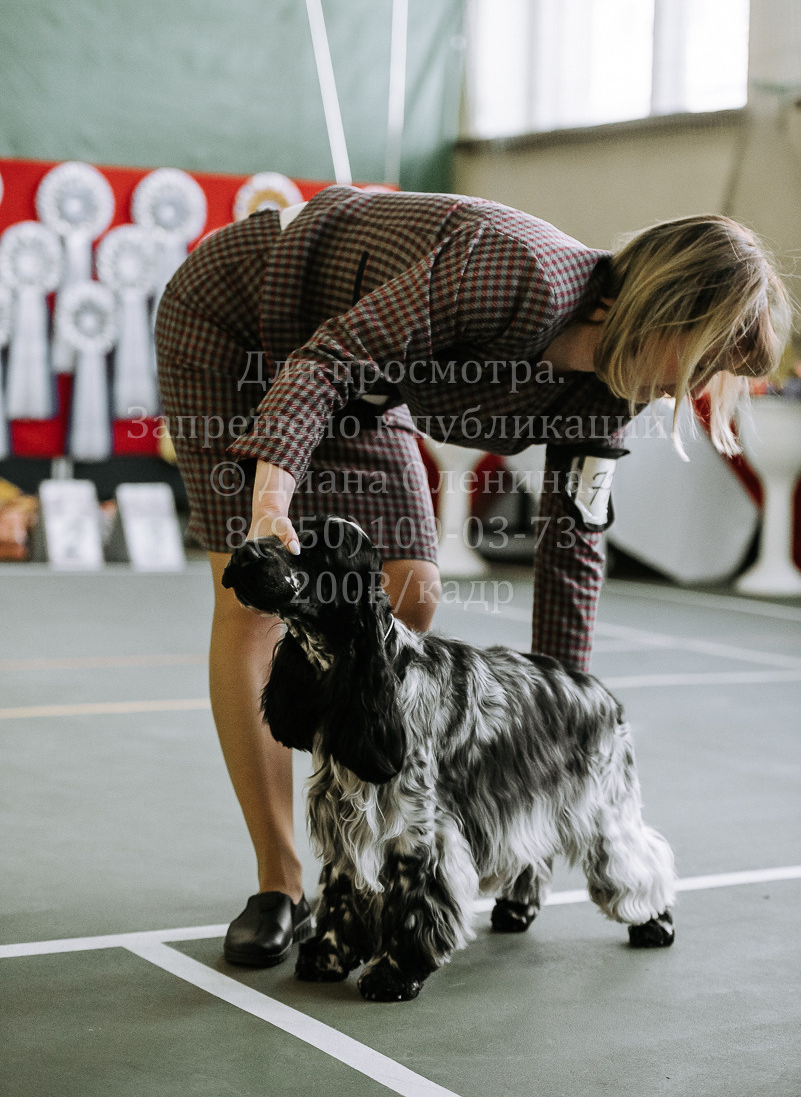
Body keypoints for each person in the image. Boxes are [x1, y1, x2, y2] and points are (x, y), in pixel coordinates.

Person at [154, 185, 790, 967]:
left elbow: (571, 551)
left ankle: (370, 833)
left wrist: (559, 717)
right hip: (244, 315)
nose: (694, 390)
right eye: (704, 360)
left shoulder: (605, 396)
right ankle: (281, 878)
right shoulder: (516, 272)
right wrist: (271, 496)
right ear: (666, 312)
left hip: (365, 383)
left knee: (411, 589)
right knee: (254, 603)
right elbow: (329, 359)